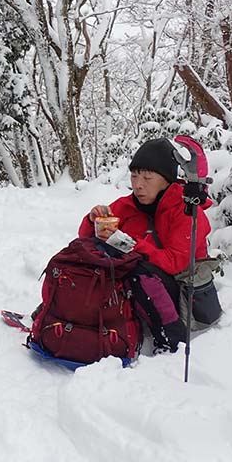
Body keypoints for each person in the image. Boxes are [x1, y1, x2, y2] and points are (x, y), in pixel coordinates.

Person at [78, 138, 222, 335]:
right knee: (84, 254)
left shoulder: (186, 210)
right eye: (134, 176)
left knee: (137, 267)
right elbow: (87, 241)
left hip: (179, 295)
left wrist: (129, 244)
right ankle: (65, 311)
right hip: (138, 289)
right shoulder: (126, 205)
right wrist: (92, 221)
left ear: (166, 180)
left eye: (147, 178)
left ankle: (170, 336)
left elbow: (176, 263)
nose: (138, 185)